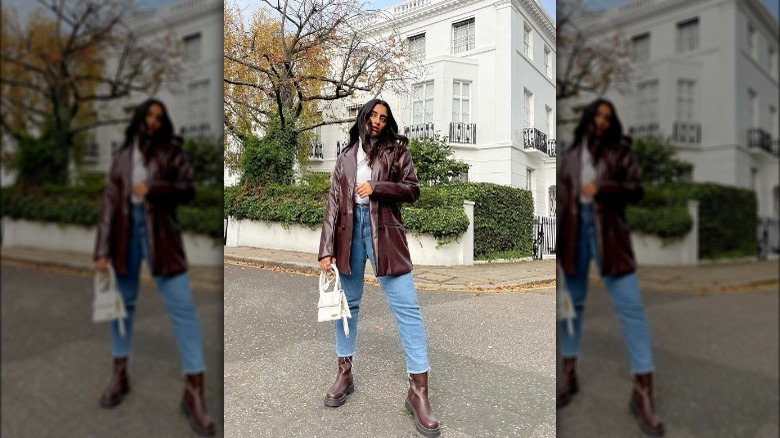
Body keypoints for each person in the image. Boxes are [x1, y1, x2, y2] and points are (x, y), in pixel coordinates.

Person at [318, 98, 440, 438]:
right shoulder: (345, 156)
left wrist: (377, 187)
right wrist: (326, 249)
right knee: (347, 306)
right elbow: (333, 203)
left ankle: (418, 391)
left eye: (383, 118)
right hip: (348, 234)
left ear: (388, 123)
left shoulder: (396, 151)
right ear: (363, 116)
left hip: (384, 232)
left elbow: (412, 190)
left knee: (408, 308)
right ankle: (344, 373)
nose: (377, 121)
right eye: (372, 115)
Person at [93, 98, 216, 437]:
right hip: (123, 234)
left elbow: (187, 189)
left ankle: (194, 391)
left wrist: (154, 188)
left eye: (159, 117)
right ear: (138, 118)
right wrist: (101, 250)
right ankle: (120, 374)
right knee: (121, 308)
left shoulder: (171, 151)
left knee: (184, 309)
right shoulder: (121, 157)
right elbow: (109, 205)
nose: (153, 121)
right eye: (148, 115)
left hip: (160, 233)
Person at [556, 98, 664, 436]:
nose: (602, 121)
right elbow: (562, 201)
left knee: (632, 308)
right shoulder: (571, 156)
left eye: (608, 116)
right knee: (570, 309)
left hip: (609, 234)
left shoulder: (620, 152)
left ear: (612, 121)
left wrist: (602, 187)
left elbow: (636, 189)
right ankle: (569, 374)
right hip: (574, 233)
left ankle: (643, 391)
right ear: (589, 118)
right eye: (597, 115)